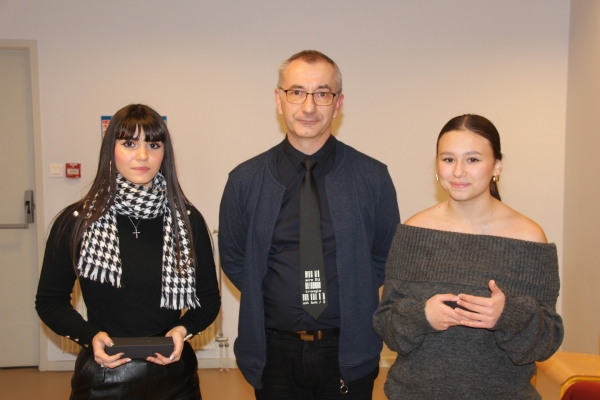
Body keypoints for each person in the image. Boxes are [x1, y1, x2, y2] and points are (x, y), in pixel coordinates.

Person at [219, 50, 400, 399]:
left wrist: (352, 290)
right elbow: (235, 258)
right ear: (279, 99)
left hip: (347, 351)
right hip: (273, 354)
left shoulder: (372, 177)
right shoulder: (245, 180)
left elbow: (384, 257)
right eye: (297, 92)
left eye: (322, 93)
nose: (308, 107)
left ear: (338, 102)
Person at [36, 104, 220, 399]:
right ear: (111, 149)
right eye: (129, 143)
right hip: (102, 376)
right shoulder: (76, 222)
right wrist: (90, 337)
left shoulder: (187, 220)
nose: (143, 155)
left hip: (173, 377)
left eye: (154, 144)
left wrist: (182, 331)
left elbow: (208, 301)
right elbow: (49, 301)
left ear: (164, 153)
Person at [373, 114, 563, 399]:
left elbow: (547, 340)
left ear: (497, 166)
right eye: (448, 159)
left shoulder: (528, 237)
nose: (458, 171)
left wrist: (507, 316)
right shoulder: (413, 232)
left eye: (473, 160)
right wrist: (422, 316)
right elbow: (386, 325)